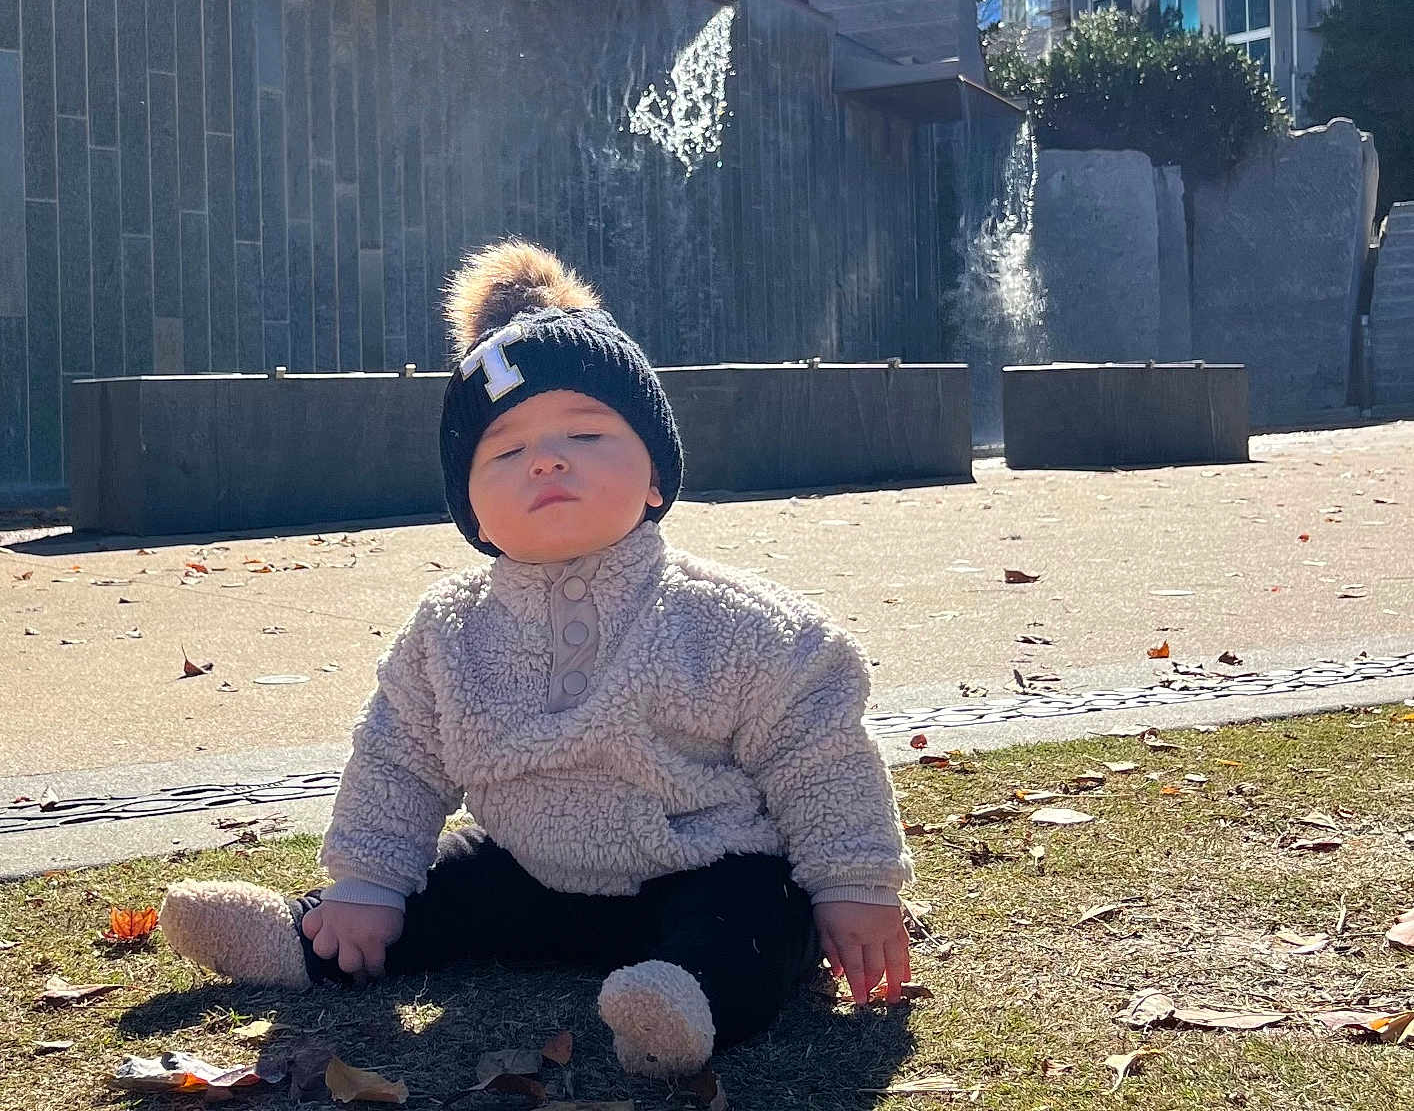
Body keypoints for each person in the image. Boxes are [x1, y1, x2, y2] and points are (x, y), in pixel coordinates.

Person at [160, 241, 912, 1079]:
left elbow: (819, 750)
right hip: (532, 870)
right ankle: (310, 939)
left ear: (657, 478)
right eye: (506, 451)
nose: (547, 459)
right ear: (472, 510)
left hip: (701, 867)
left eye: (586, 433)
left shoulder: (730, 622)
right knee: (441, 890)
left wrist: (855, 880)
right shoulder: (448, 630)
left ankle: (682, 1000)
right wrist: (367, 880)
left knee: (761, 918)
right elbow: (398, 761)